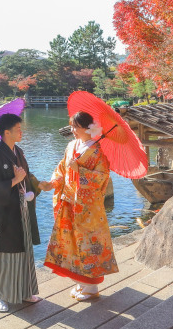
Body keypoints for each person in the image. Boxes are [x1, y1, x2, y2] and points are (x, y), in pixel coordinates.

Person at [39, 111, 118, 301]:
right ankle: (81, 283)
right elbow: (62, 170)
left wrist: (80, 170)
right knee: (72, 243)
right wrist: (52, 184)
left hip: (88, 209)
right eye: (72, 126)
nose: (72, 130)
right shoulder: (71, 146)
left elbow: (102, 178)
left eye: (75, 127)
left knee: (88, 244)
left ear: (87, 127)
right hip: (69, 203)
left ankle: (91, 286)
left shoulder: (98, 152)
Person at [0, 113, 43, 312]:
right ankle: (0, 295)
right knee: (4, 253)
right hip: (4, 214)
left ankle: (25, 290)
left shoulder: (18, 151)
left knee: (24, 250)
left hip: (21, 210)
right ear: (6, 132)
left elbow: (26, 176)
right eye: (17, 129)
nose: (21, 131)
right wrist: (14, 181)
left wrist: (31, 189)